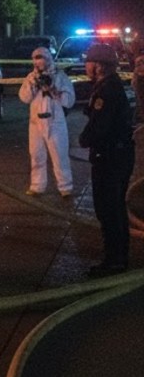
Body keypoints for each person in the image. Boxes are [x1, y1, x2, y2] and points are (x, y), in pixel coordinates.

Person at [78, 42, 135, 277]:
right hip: (118, 155)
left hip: (110, 158)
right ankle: (118, 257)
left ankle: (114, 261)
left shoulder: (106, 91)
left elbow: (99, 127)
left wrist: (84, 139)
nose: (86, 66)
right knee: (115, 208)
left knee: (109, 209)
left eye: (89, 62)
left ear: (99, 66)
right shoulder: (111, 86)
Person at [17, 46, 75, 197]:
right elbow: (24, 98)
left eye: (41, 58)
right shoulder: (31, 77)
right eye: (36, 59)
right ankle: (37, 186)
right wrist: (33, 85)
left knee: (59, 155)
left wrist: (53, 89)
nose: (39, 63)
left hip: (55, 121)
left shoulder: (60, 76)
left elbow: (69, 101)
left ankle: (65, 188)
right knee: (36, 155)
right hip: (36, 123)